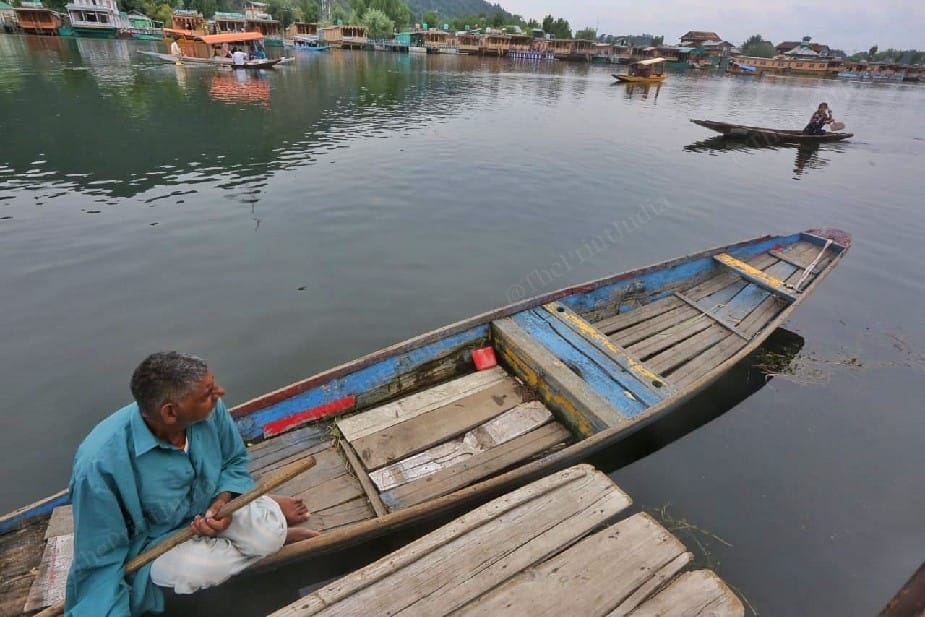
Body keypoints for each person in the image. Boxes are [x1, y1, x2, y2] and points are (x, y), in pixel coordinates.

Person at [65, 352, 319, 616]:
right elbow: (98, 558)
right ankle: (267, 535)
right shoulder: (99, 466)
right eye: (208, 392)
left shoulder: (211, 409)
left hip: (215, 507)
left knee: (268, 537)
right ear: (171, 412)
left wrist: (224, 501)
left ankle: (270, 536)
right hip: (157, 540)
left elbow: (233, 461)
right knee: (201, 572)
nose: (220, 392)